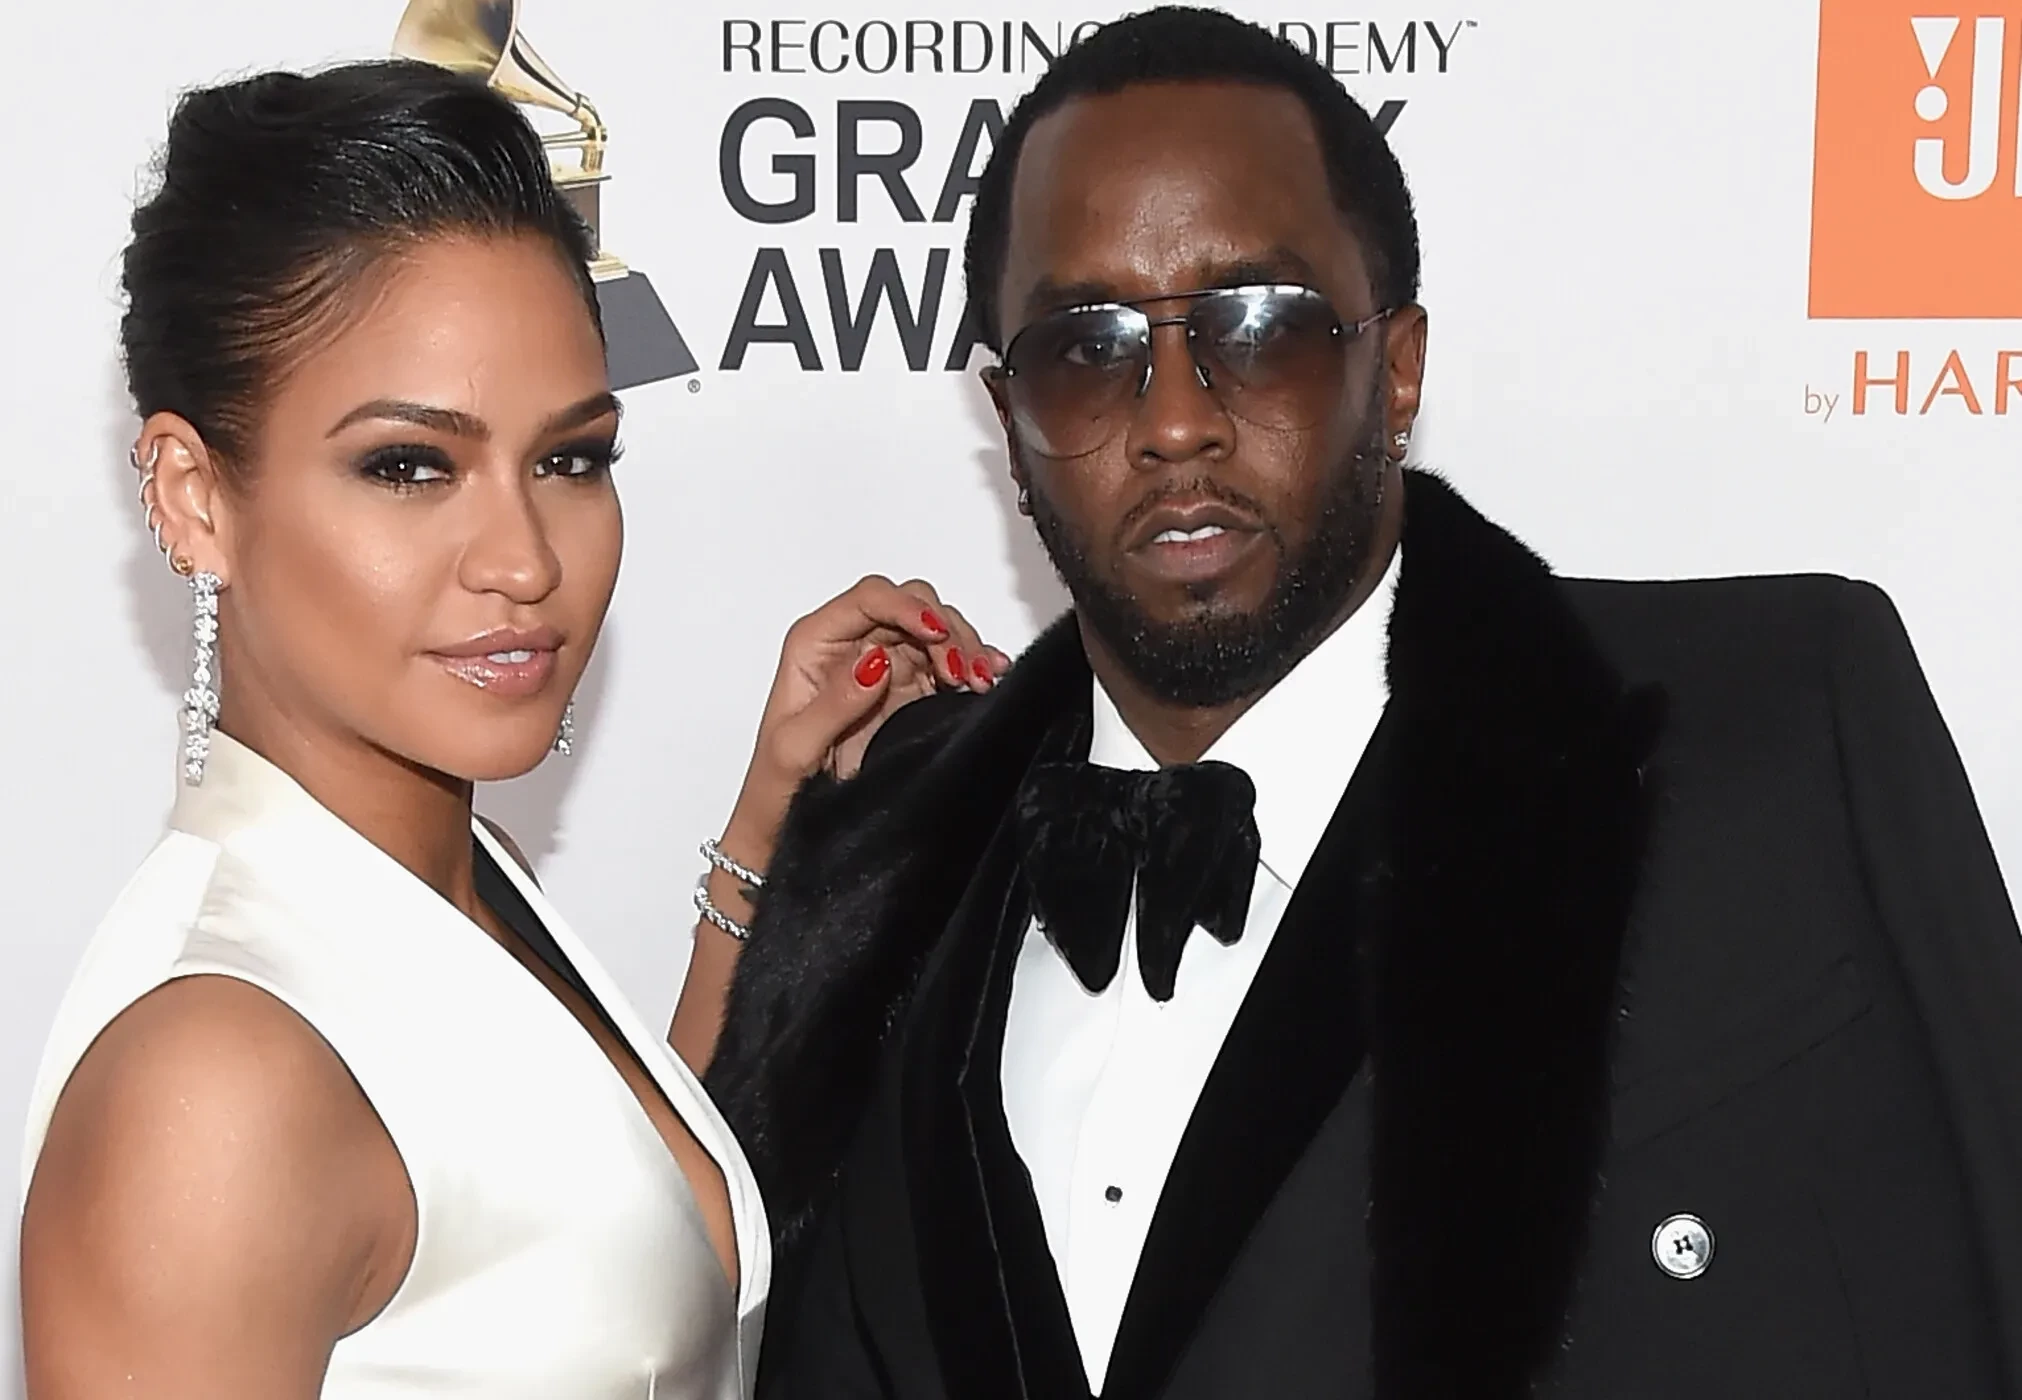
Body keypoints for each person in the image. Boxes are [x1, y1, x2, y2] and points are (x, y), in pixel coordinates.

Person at [701, 8, 2022, 1397]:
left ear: (1394, 368)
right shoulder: (890, 866)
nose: (1174, 418)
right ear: (1008, 420)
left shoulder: (1768, 730)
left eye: (1257, 327)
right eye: (1085, 348)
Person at [17, 61, 1001, 1400]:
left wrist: (770, 825)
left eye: (569, 459)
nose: (526, 561)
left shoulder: (435, 881)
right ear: (194, 498)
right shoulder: (216, 1087)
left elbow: (585, 1255)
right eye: (408, 466)